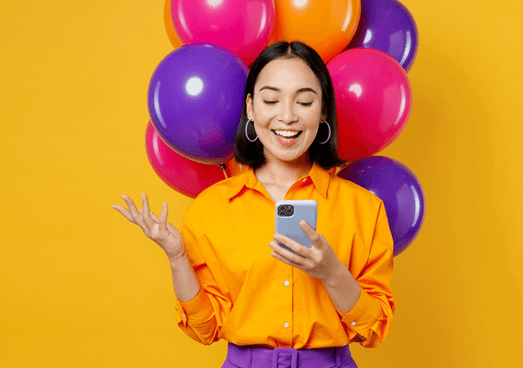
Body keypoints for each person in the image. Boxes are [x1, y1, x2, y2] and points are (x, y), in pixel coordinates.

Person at [112, 41, 395, 368]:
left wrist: (331, 273)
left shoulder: (362, 208)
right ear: (250, 107)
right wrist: (177, 257)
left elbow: (374, 330)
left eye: (304, 101)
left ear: (322, 110)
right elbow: (206, 330)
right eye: (271, 100)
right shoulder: (212, 208)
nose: (287, 116)